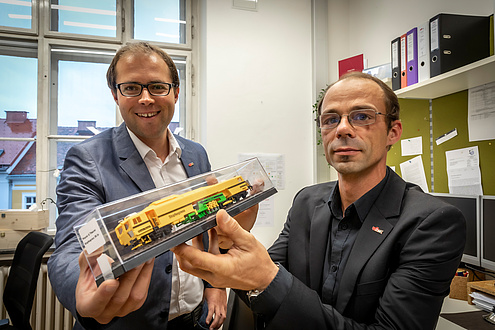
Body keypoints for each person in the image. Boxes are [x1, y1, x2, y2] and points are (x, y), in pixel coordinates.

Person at [171, 72, 467, 329]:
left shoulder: (432, 223)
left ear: (393, 132)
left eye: (362, 116)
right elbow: (259, 281)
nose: (343, 129)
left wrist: (266, 279)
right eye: (330, 119)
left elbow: (269, 281)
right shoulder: (307, 202)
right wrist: (228, 243)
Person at [48, 42, 228, 330]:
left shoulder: (196, 155)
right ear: (115, 96)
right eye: (131, 88)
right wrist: (83, 292)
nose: (146, 99)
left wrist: (215, 286)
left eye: (157, 86)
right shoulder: (88, 159)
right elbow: (72, 246)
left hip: (195, 321)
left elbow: (207, 230)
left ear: (176, 92)